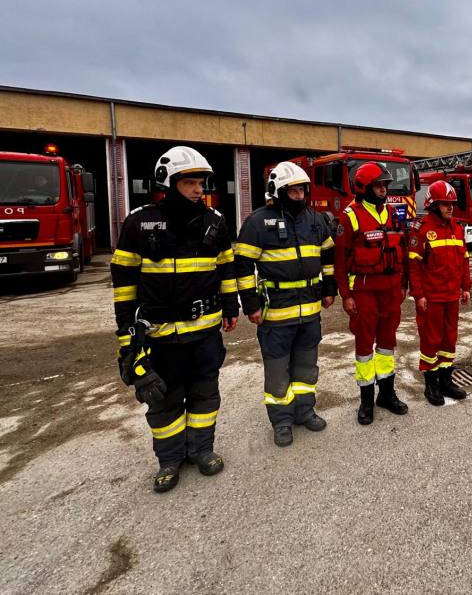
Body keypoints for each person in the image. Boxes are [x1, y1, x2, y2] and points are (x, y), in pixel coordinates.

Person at [111, 146, 238, 493]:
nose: (199, 190)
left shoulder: (215, 222)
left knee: (205, 395)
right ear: (169, 182)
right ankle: (169, 459)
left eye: (201, 183)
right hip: (160, 336)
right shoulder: (139, 223)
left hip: (205, 334)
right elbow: (124, 288)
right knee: (164, 400)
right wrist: (128, 341)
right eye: (191, 183)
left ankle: (202, 450)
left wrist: (231, 307)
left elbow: (227, 268)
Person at [233, 161, 336, 447]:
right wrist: (250, 304)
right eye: (293, 191)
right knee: (278, 370)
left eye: (303, 189)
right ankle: (281, 420)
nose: (300, 195)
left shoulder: (315, 220)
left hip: (310, 309)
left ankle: (305, 410)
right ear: (277, 192)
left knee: (306, 366)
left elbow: (328, 256)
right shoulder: (257, 222)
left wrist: (330, 288)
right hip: (276, 311)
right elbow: (242, 266)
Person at [334, 161, 408, 425]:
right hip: (364, 290)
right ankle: (366, 399)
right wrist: (346, 295)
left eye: (385, 184)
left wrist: (404, 284)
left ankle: (386, 394)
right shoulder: (349, 215)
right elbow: (340, 261)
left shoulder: (394, 213)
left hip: (391, 289)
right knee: (365, 346)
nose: (383, 189)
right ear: (363, 186)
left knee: (387, 343)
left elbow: (404, 248)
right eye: (378, 185)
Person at [408, 180, 472, 406]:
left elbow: (464, 259)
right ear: (433, 205)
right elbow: (414, 266)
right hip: (432, 298)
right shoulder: (422, 228)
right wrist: (419, 295)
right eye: (445, 204)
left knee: (449, 339)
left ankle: (446, 380)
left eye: (452, 203)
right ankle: (431, 384)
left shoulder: (456, 227)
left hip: (451, 296)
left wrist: (466, 287)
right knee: (430, 341)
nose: (450, 207)